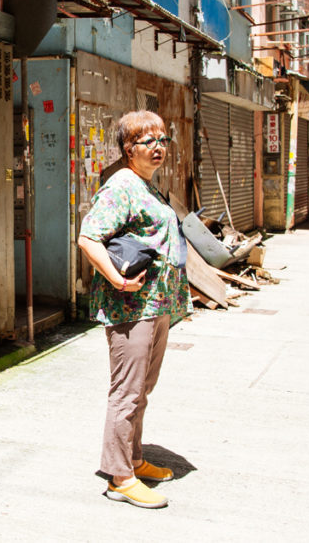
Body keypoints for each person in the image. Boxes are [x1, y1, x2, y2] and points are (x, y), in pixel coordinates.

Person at [77, 110, 190, 509]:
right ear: (129, 149)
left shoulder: (146, 185)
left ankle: (136, 460)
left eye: (162, 140)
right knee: (127, 392)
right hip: (132, 307)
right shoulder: (121, 186)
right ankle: (119, 477)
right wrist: (119, 280)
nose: (158, 147)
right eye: (148, 141)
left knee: (142, 390)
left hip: (155, 305)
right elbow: (88, 238)